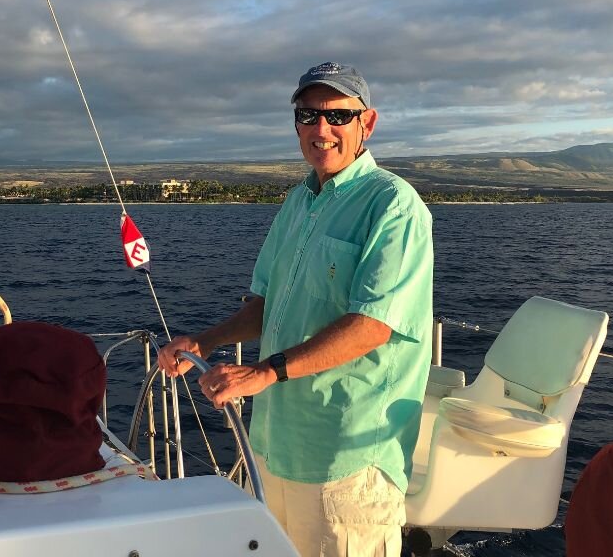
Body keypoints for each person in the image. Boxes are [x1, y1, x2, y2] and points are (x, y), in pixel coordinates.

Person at [159, 61, 433, 557]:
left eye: (337, 117)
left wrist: (262, 373)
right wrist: (204, 341)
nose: (321, 129)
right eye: (307, 116)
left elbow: (371, 326)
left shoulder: (393, 204)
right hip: (274, 444)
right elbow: (265, 305)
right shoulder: (296, 202)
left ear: (366, 123)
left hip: (345, 456)